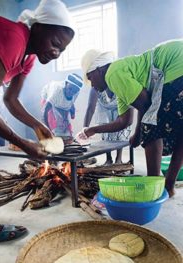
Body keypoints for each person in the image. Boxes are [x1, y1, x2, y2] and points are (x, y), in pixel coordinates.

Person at [0, 0, 75, 245]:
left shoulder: (28, 58)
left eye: (62, 50)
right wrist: (23, 144)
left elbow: (10, 99)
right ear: (38, 27)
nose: (56, 52)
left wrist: (38, 126)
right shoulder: (14, 37)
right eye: (55, 43)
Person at [77, 42, 183, 198]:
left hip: (176, 64)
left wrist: (139, 133)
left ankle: (152, 189)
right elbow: (124, 121)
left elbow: (146, 104)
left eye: (90, 78)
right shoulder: (119, 82)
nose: (92, 85)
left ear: (99, 70)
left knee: (150, 125)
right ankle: (168, 186)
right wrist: (93, 130)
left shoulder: (112, 73)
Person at [83, 86, 131, 165]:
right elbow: (90, 108)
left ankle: (118, 159)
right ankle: (108, 159)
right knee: (104, 128)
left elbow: (124, 121)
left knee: (120, 130)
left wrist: (120, 122)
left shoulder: (117, 83)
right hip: (104, 107)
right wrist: (84, 129)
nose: (91, 83)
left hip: (119, 106)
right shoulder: (95, 86)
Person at [41, 73, 83, 141]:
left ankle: (67, 139)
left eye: (74, 91)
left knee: (65, 125)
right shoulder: (56, 91)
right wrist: (48, 130)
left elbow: (68, 104)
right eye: (70, 89)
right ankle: (54, 139)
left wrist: (69, 115)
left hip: (61, 103)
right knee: (54, 125)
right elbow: (45, 111)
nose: (71, 92)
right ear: (66, 83)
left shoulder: (76, 92)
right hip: (48, 99)